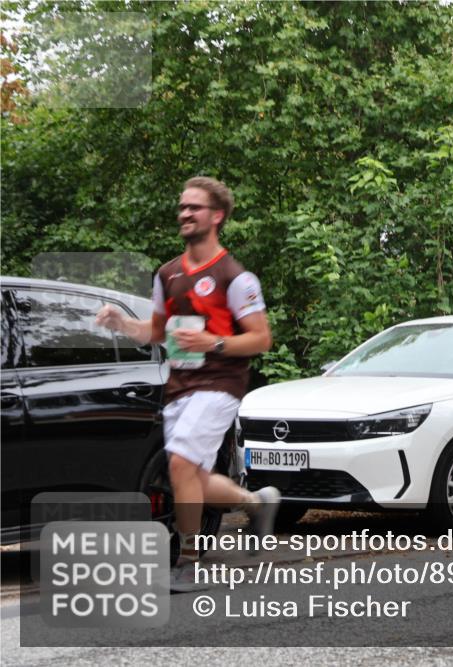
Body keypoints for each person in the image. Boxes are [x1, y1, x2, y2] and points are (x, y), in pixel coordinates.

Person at [96, 176, 279, 592]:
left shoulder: (236, 277)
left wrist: (213, 341)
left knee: (178, 463)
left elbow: (261, 338)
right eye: (182, 206)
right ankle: (256, 503)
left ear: (216, 216)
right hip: (180, 385)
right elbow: (157, 331)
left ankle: (190, 557)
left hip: (221, 383)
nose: (184, 213)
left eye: (193, 207)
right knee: (190, 475)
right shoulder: (168, 274)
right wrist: (122, 322)